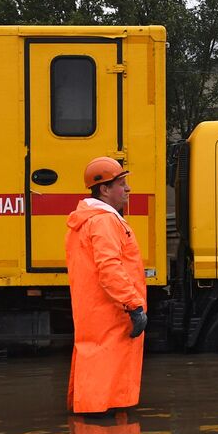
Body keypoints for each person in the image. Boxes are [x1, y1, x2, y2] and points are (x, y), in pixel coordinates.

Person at [65, 157, 148, 414]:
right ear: (104, 189)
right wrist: (133, 306)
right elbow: (110, 268)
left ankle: (92, 427)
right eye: (122, 184)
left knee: (95, 364)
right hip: (113, 312)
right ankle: (101, 425)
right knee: (107, 375)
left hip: (96, 312)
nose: (128, 189)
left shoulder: (87, 221)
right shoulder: (103, 221)